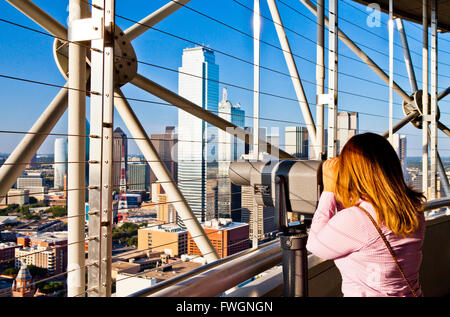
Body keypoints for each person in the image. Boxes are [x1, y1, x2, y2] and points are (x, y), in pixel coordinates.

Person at [306, 132, 426, 297]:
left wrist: (329, 190)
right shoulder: (413, 207)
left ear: (353, 172)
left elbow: (314, 245)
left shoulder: (357, 219)